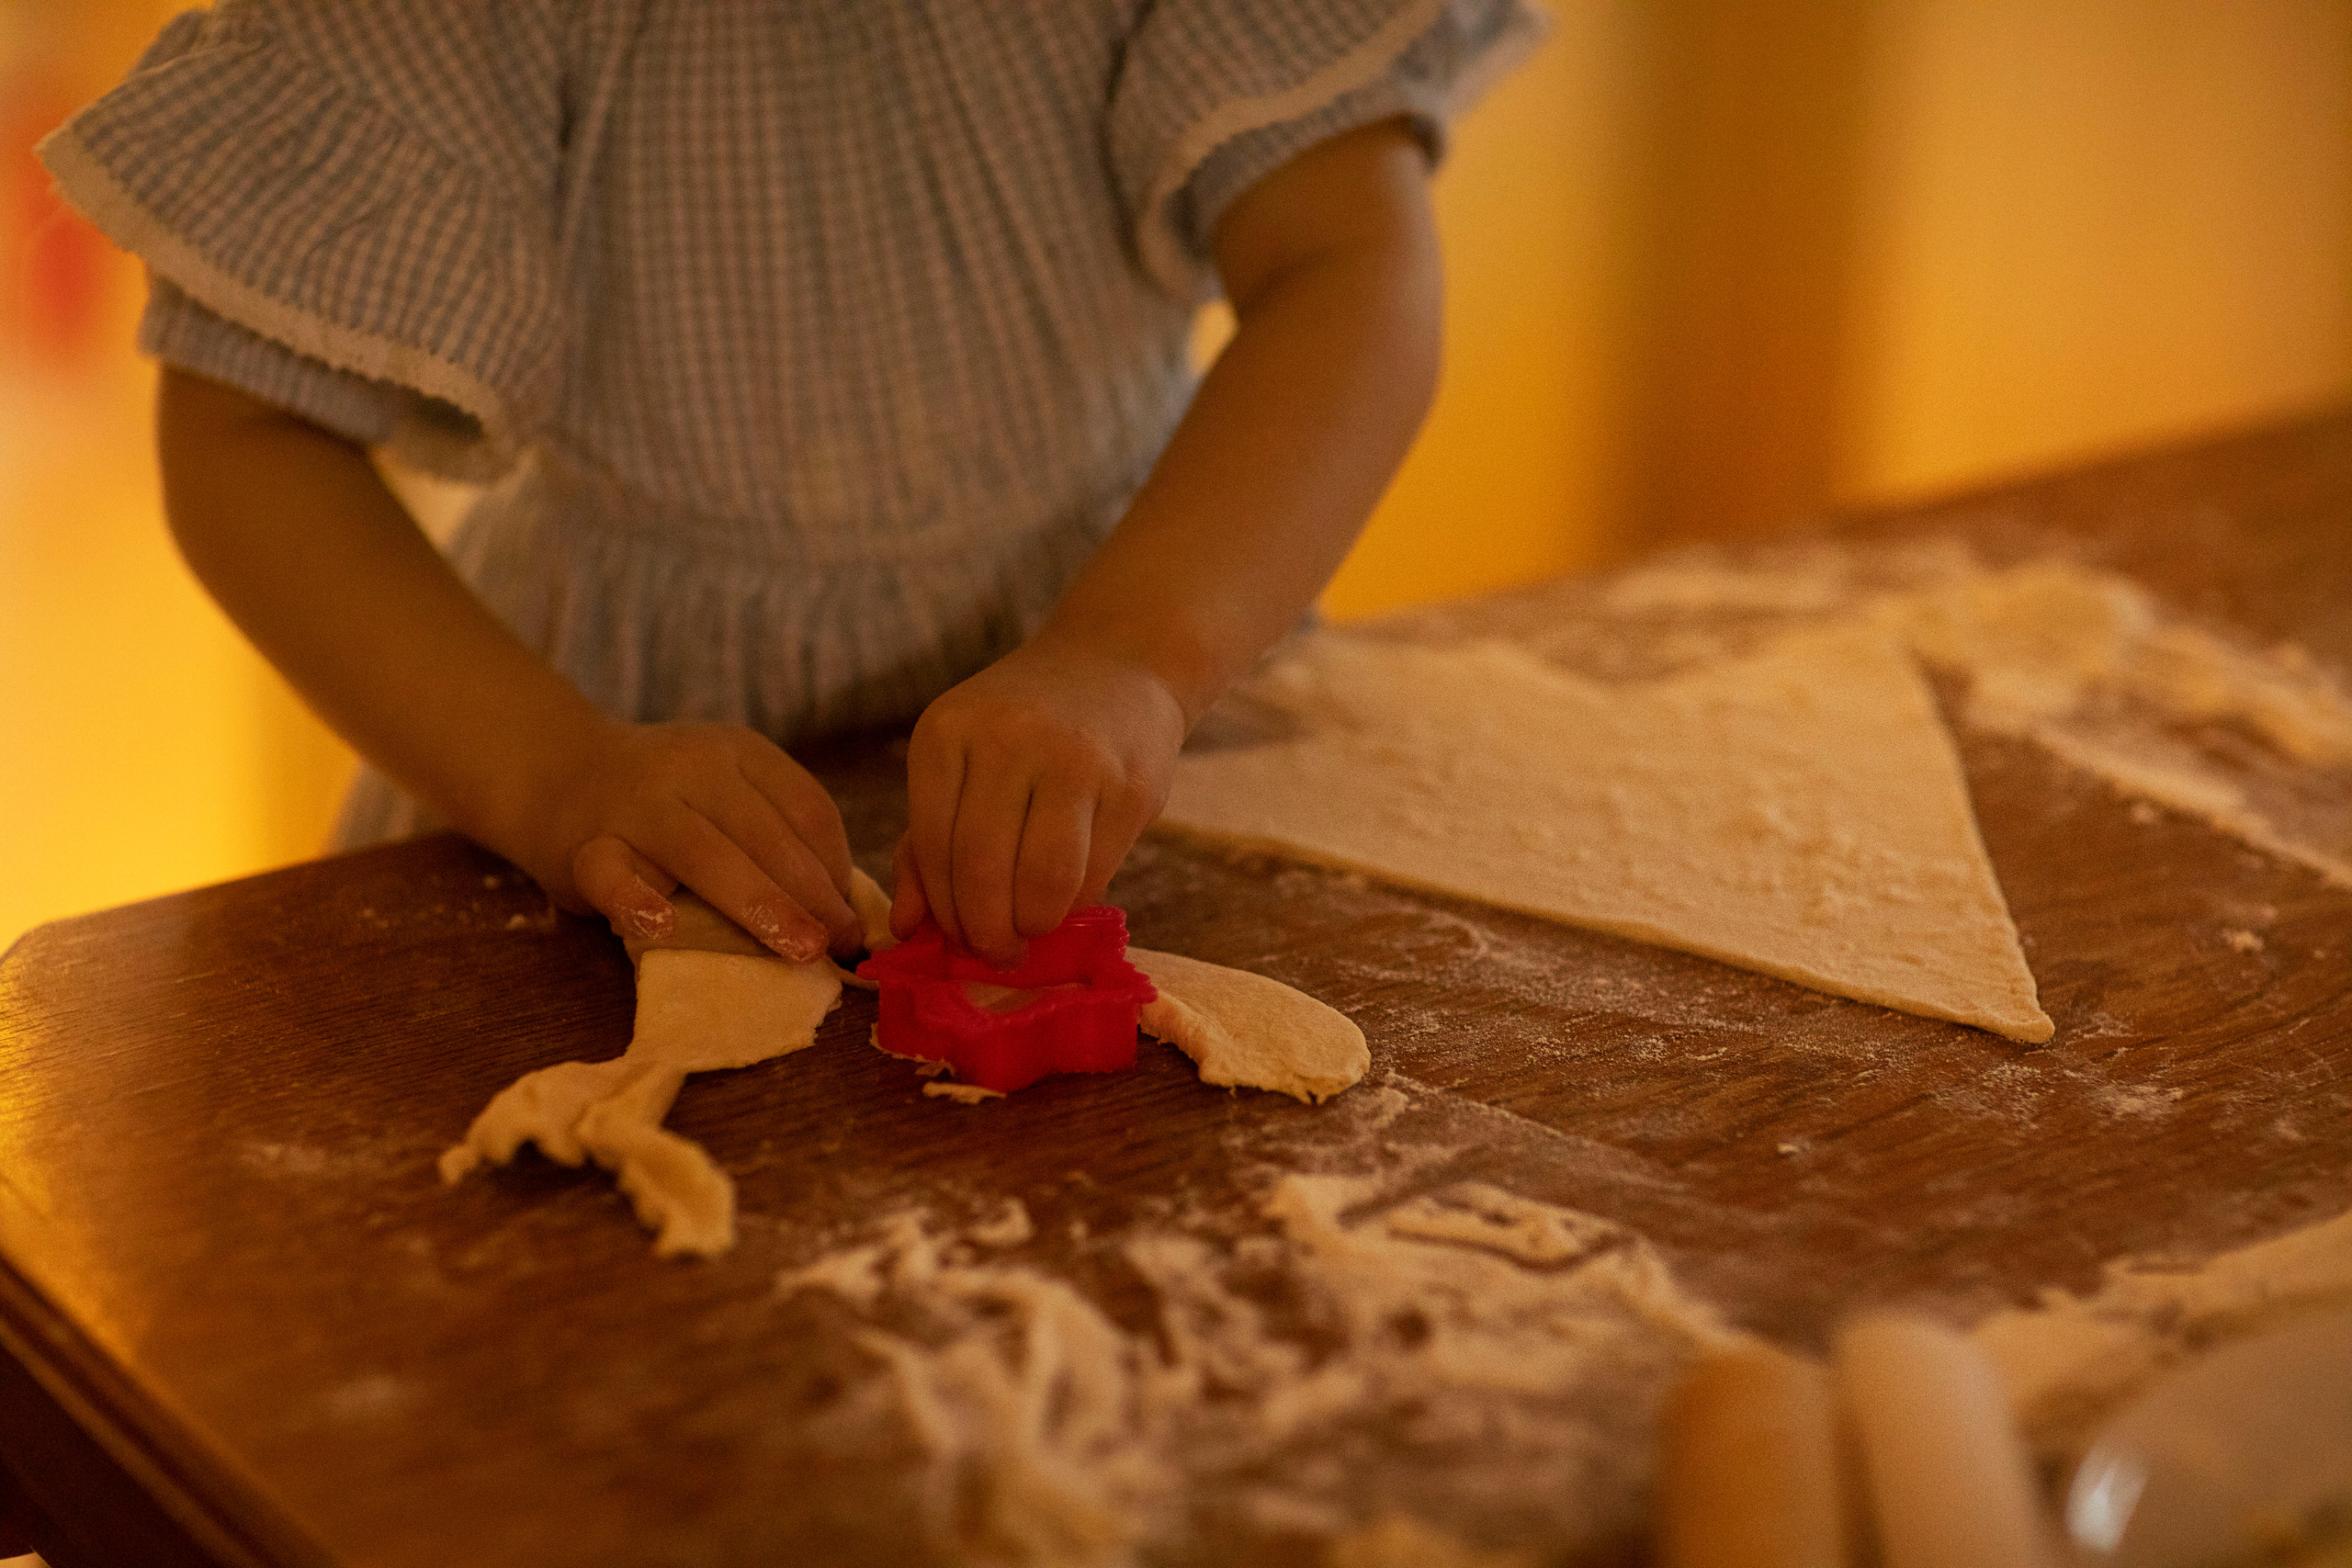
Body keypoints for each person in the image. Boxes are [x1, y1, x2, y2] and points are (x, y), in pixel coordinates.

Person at [42, 1, 1542, 970]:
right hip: (603, 745)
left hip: (1142, 680)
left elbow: (1349, 271)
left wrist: (1132, 656)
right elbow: (249, 444)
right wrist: (558, 775)